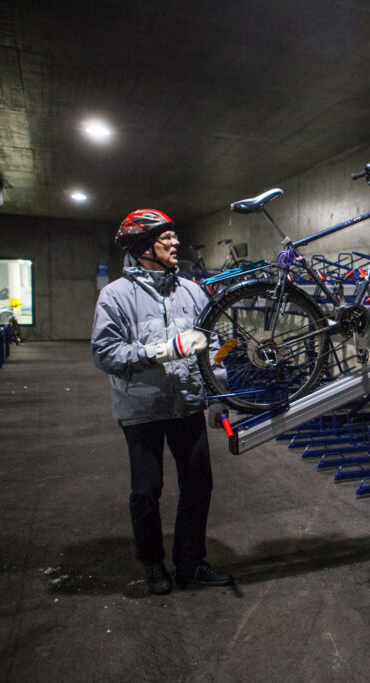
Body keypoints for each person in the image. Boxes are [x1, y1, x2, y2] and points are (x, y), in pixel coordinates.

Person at [91, 208, 233, 595]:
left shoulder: (192, 291)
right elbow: (105, 354)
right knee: (146, 490)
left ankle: (191, 563)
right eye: (165, 237)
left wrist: (218, 394)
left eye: (174, 236)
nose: (175, 243)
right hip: (141, 409)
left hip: (187, 403)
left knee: (198, 485)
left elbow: (213, 348)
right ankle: (153, 564)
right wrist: (163, 351)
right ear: (143, 247)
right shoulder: (116, 296)